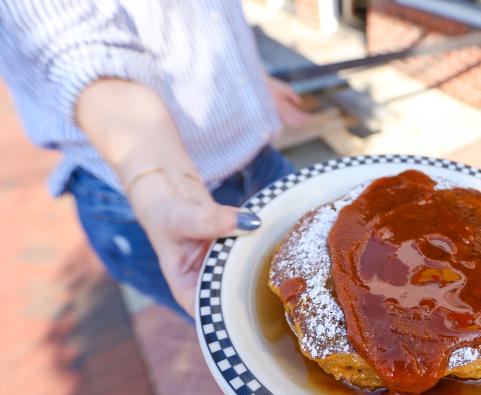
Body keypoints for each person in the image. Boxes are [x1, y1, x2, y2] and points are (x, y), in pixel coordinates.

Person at [0, 1, 310, 321]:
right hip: (155, 202)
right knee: (250, 328)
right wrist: (165, 190)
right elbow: (82, 53)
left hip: (259, 161)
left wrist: (253, 81)